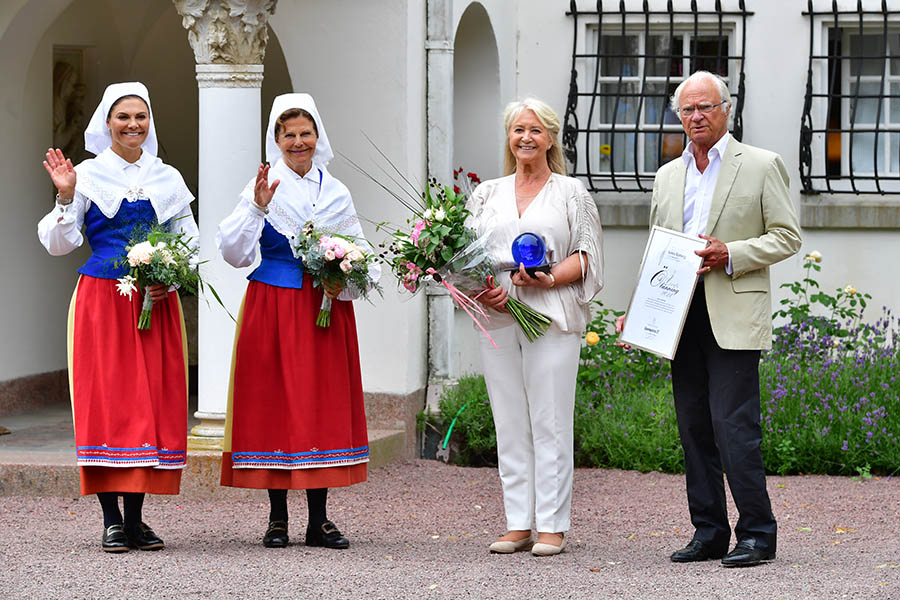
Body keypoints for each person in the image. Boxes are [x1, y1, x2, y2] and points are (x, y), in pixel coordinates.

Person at [617, 71, 801, 567]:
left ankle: (758, 535)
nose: (696, 117)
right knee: (694, 427)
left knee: (734, 426)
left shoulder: (761, 165)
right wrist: (637, 310)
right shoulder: (667, 175)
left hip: (732, 310)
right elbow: (657, 249)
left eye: (706, 107)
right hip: (678, 316)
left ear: (725, 109)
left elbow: (787, 236)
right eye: (687, 110)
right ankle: (709, 532)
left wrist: (731, 252)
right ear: (679, 116)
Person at [37, 82, 198, 553]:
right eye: (123, 116)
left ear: (150, 122)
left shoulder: (167, 177)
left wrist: (169, 272)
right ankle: (111, 519)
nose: (132, 125)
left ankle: (137, 519)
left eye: (140, 117)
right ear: (107, 122)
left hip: (154, 301)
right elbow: (57, 243)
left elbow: (188, 237)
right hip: (102, 301)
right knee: (107, 403)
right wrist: (66, 198)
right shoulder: (86, 174)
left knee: (149, 404)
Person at [217, 93, 380, 549]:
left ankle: (319, 519)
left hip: (323, 309)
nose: (297, 141)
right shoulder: (263, 186)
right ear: (276, 140)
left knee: (317, 403)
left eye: (305, 133)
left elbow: (361, 253)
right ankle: (276, 518)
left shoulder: (337, 191)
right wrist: (257, 207)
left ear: (317, 136)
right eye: (288, 134)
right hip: (272, 305)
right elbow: (232, 253)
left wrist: (342, 279)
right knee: (274, 401)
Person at [470, 98, 604, 557]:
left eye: (534, 130)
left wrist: (548, 278)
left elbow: (588, 255)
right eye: (517, 130)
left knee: (548, 419)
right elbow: (467, 257)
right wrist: (484, 288)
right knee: (508, 420)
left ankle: (552, 524)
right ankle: (517, 522)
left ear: (550, 137)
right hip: (498, 314)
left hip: (551, 315)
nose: (525, 137)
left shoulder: (571, 193)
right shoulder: (486, 193)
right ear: (509, 139)